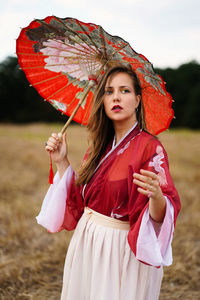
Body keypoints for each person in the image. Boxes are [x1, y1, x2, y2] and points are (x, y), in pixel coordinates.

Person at [36, 64, 181, 300]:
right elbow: (81, 204)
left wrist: (156, 195)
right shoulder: (98, 147)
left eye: (124, 91)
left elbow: (160, 215)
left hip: (120, 249)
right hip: (86, 240)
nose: (116, 97)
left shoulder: (149, 147)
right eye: (109, 91)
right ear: (102, 100)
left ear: (137, 99)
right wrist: (62, 162)